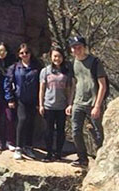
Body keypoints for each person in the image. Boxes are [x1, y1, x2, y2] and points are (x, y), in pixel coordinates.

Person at [67, 36, 107, 167]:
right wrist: (70, 103)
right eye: (74, 47)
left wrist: (97, 105)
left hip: (93, 102)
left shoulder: (95, 62)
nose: (77, 50)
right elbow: (74, 84)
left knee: (99, 131)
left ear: (84, 47)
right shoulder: (73, 63)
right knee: (75, 131)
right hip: (78, 102)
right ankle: (82, 158)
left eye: (79, 47)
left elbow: (102, 85)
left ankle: (103, 157)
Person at [5, 43, 42, 160]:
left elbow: (42, 84)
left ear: (30, 53)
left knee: (31, 122)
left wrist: (40, 101)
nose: (24, 55)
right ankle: (18, 147)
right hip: (20, 99)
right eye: (22, 53)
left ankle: (29, 146)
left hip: (33, 99)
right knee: (22, 120)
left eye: (27, 52)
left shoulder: (37, 67)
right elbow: (7, 83)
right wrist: (10, 98)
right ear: (18, 55)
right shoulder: (15, 67)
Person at [38, 46, 73, 161]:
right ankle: (48, 153)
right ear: (51, 57)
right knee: (48, 130)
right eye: (55, 56)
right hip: (49, 105)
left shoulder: (67, 71)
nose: (57, 59)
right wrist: (41, 104)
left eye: (59, 56)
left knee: (60, 131)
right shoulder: (45, 71)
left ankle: (58, 153)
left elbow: (69, 89)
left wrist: (69, 104)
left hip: (62, 106)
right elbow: (42, 89)